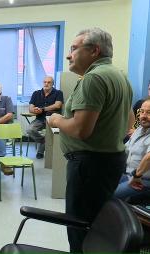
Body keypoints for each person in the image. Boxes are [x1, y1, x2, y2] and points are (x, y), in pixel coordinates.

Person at [48, 28, 133, 253]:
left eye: (74, 49)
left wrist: (56, 120)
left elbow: (80, 129)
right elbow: (128, 123)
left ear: (94, 50)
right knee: (95, 223)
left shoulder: (94, 78)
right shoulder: (119, 76)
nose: (69, 55)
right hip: (109, 161)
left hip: (89, 165)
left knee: (80, 227)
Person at [114, 98, 150, 201]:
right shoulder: (139, 129)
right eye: (142, 111)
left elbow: (148, 157)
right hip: (127, 175)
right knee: (98, 187)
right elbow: (124, 149)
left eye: (149, 113)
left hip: (142, 180)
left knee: (108, 195)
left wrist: (137, 175)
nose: (143, 116)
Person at [27, 76, 64, 159]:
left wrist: (43, 109)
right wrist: (35, 110)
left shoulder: (58, 93)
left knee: (52, 134)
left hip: (53, 118)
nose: (46, 84)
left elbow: (58, 105)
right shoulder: (36, 93)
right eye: (45, 82)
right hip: (40, 119)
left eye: (49, 82)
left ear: (53, 84)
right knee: (30, 130)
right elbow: (30, 108)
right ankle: (44, 142)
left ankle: (40, 152)